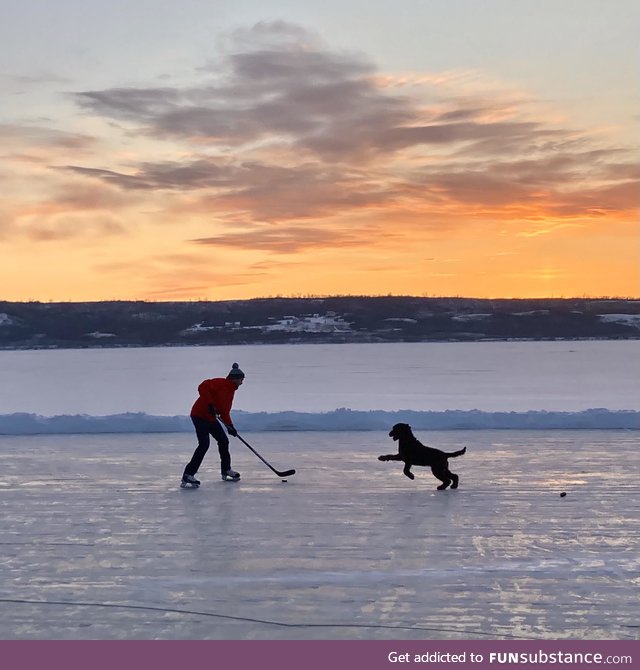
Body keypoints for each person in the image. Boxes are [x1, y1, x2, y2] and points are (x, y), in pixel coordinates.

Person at [181, 362, 245, 488]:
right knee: (204, 444)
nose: (241, 383)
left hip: (210, 418)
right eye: (241, 380)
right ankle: (188, 474)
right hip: (199, 415)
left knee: (224, 441)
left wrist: (230, 426)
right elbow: (202, 386)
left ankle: (226, 470)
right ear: (235, 379)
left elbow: (224, 412)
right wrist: (210, 404)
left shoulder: (231, 392)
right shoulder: (220, 383)